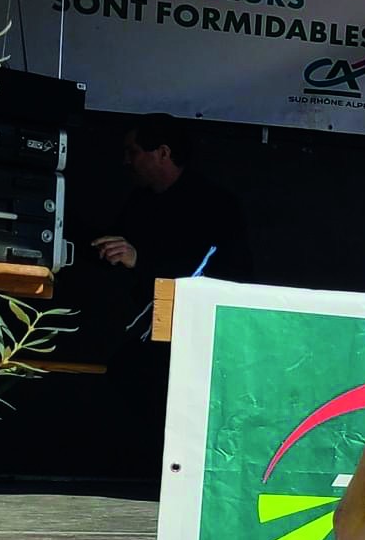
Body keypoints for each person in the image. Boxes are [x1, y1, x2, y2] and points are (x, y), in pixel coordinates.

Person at [92, 114, 248, 473]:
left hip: (199, 336)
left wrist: (139, 260)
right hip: (142, 328)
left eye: (133, 151)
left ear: (162, 152)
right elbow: (116, 251)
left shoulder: (215, 206)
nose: (126, 161)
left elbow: (211, 272)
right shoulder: (140, 201)